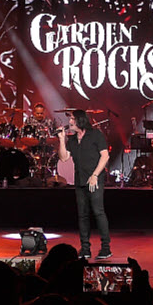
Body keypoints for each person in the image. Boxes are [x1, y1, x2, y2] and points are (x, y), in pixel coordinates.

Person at [57, 110, 112, 260]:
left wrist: (95, 175)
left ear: (80, 120)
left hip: (94, 179)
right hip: (80, 180)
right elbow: (64, 158)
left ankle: (106, 248)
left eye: (72, 119)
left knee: (98, 212)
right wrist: (61, 140)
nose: (70, 122)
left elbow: (105, 156)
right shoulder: (73, 140)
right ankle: (85, 248)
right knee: (82, 215)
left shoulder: (95, 135)